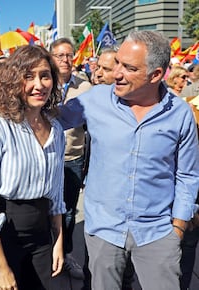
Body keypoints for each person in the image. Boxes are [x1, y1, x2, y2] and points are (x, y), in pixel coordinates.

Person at [59, 30, 199, 290]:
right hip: (104, 232)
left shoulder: (180, 114)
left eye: (129, 67)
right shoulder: (95, 100)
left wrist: (178, 228)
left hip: (157, 233)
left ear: (155, 75)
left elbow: (187, 175)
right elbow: (49, 120)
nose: (116, 73)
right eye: (118, 63)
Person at [0, 45, 65, 290]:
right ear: (13, 81)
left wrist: (59, 241)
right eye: (29, 76)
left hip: (42, 234)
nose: (39, 84)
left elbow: (56, 191)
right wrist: (0, 266)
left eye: (45, 75)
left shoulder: (56, 129)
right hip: (3, 233)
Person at [82, 47, 136, 290]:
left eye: (106, 68)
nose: (99, 74)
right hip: (101, 216)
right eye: (98, 68)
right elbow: (56, 117)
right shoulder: (93, 98)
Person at [49, 37, 92, 280]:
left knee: (67, 211)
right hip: (46, 158)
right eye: (60, 55)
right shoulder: (43, 81)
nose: (66, 60)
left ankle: (65, 255)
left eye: (69, 55)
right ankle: (47, 253)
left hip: (72, 157)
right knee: (45, 209)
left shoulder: (84, 86)